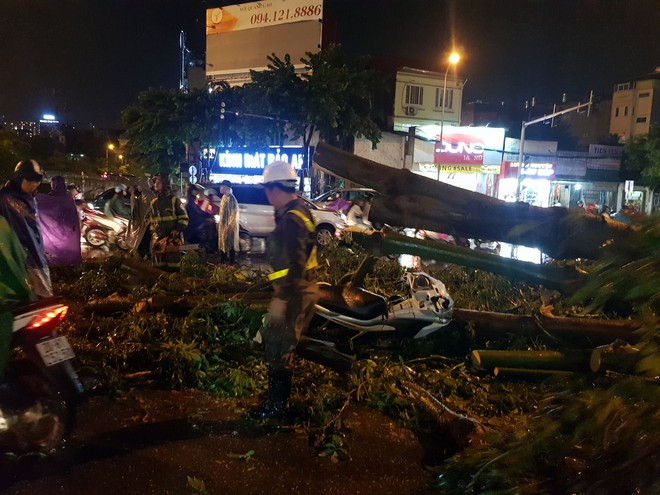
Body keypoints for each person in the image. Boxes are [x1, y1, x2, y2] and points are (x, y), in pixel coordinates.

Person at [249, 161, 320, 420]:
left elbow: (296, 266)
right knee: (280, 344)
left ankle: (277, 408)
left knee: (278, 347)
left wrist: (280, 300)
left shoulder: (292, 219)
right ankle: (277, 401)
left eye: (268, 189)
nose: (267, 196)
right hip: (302, 290)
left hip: (294, 293)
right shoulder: (300, 210)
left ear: (276, 188)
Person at [0, 160, 52, 297]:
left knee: (43, 298)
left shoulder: (29, 197)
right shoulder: (5, 198)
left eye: (37, 181)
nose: (34, 184)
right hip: (16, 256)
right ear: (19, 177)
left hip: (36, 252)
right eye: (30, 180)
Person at [35, 175, 82, 266]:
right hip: (57, 228)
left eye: (53, 183)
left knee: (63, 248)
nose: (52, 186)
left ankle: (64, 265)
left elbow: (70, 212)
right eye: (51, 184)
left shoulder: (66, 197)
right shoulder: (57, 197)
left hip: (64, 228)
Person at [148, 173, 188, 270]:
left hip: (172, 240)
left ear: (165, 184)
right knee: (158, 268)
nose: (155, 184)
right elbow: (152, 222)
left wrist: (176, 231)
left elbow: (184, 218)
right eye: (155, 182)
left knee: (173, 267)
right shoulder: (153, 203)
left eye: (158, 182)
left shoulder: (174, 200)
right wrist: (155, 234)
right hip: (159, 240)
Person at [125, 180, 155, 259]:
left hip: (147, 223)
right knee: (143, 240)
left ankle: (145, 256)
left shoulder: (146, 194)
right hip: (144, 222)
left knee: (145, 240)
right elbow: (134, 207)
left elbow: (146, 208)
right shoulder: (142, 195)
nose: (137, 187)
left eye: (138, 186)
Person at [217, 180, 239, 264]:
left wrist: (230, 226)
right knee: (223, 242)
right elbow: (221, 212)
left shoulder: (231, 199)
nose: (220, 188)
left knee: (230, 243)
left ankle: (231, 262)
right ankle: (223, 260)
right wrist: (219, 222)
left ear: (226, 188)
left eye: (221, 186)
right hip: (223, 225)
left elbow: (234, 214)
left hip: (229, 226)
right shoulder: (224, 197)